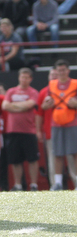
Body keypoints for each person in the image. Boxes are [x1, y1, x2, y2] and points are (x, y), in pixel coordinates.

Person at [40, 60, 77, 191]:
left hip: (72, 122)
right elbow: (44, 106)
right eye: (59, 70)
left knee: (74, 153)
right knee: (57, 153)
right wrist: (47, 103)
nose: (61, 72)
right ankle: (58, 183)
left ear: (68, 70)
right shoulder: (52, 85)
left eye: (63, 70)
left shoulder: (74, 83)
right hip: (56, 122)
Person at [1, 68, 40, 191]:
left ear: (31, 79)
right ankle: (18, 184)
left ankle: (33, 184)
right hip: (13, 130)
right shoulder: (11, 91)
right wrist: (21, 106)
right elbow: (5, 106)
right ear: (18, 78)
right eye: (22, 77)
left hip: (28, 130)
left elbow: (30, 104)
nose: (24, 80)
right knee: (15, 159)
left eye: (26, 77)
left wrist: (14, 106)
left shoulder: (33, 92)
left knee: (32, 159)